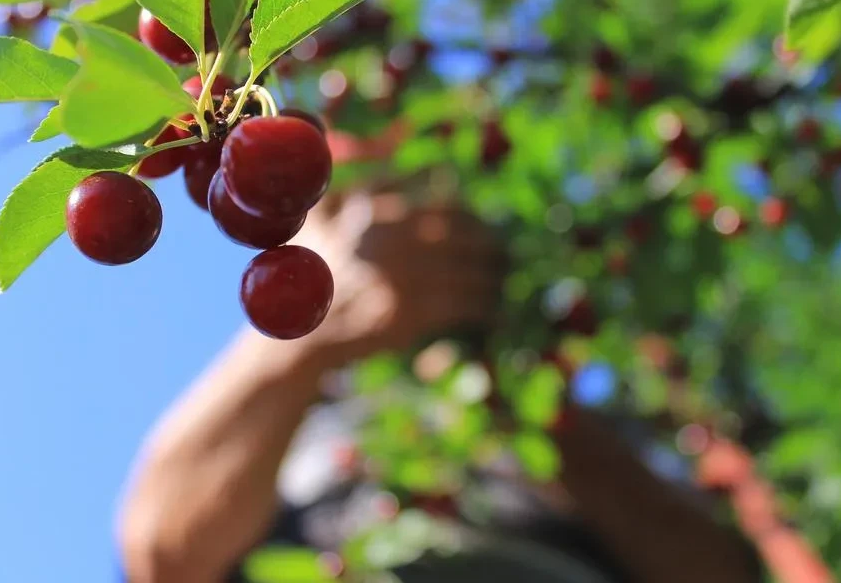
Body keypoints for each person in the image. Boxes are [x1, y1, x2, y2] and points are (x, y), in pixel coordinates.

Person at [116, 188, 768, 583]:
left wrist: (509, 391)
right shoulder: (302, 430)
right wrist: (308, 325)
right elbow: (162, 553)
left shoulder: (580, 427)